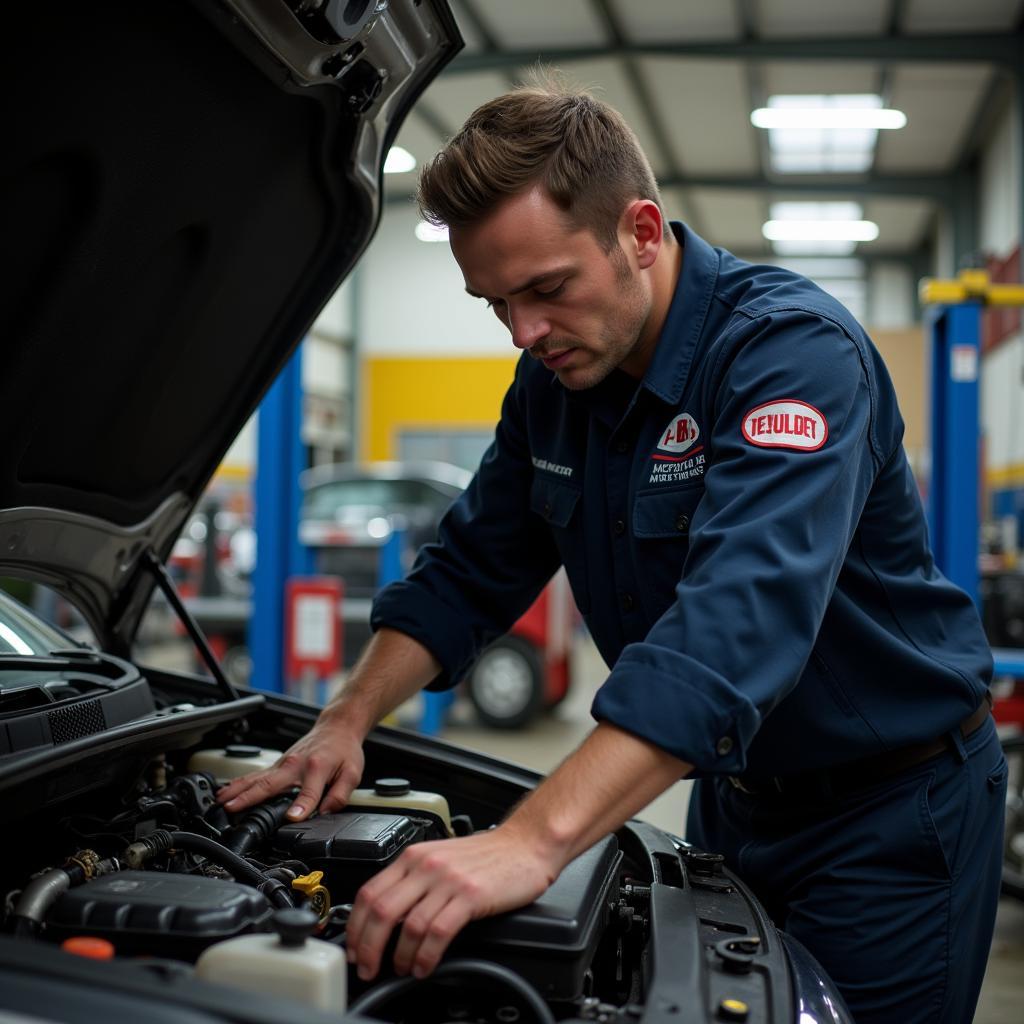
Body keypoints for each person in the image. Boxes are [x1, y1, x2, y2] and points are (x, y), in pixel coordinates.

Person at [218, 83, 1006, 1023]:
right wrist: (344, 719)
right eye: (495, 302)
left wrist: (532, 840)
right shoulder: (554, 383)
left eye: (547, 289)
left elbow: (734, 628)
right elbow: (467, 572)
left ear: (639, 231)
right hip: (732, 800)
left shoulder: (790, 353)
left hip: (891, 814)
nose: (523, 333)